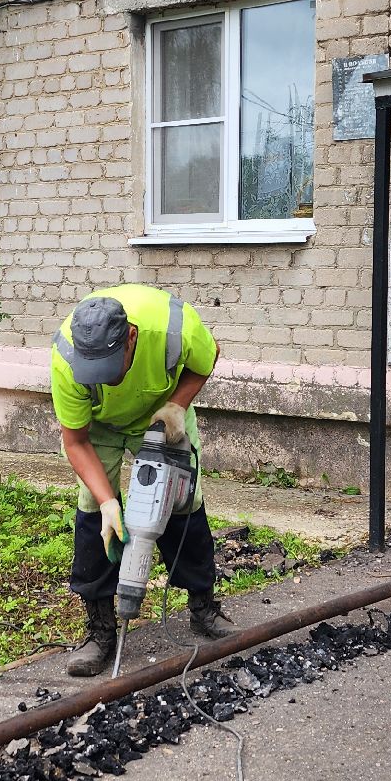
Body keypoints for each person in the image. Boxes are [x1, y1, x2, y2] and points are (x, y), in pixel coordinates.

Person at [50, 285, 240, 677]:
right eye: (94, 371)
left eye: (109, 367)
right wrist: (108, 502)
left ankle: (203, 607)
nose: (104, 379)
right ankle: (100, 629)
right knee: (94, 511)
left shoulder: (175, 328)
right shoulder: (67, 357)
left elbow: (208, 358)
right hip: (99, 427)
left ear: (131, 337)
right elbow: (76, 441)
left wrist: (176, 406)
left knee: (183, 502)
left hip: (160, 412)